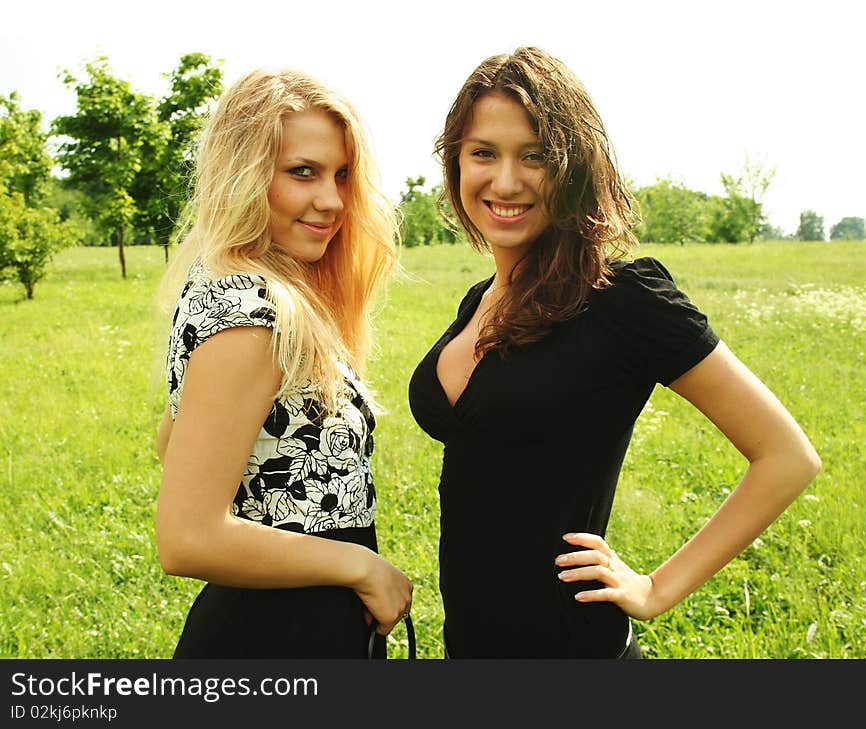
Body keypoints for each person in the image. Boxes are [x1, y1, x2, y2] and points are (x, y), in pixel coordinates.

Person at [408, 47, 821, 658]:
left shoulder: (621, 298)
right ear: (456, 163)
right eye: (483, 154)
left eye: (536, 157)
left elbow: (787, 456)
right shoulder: (480, 300)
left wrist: (656, 588)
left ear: (574, 167)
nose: (505, 181)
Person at [154, 68, 412, 658]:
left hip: (290, 620)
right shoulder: (254, 309)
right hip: (277, 635)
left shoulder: (225, 285)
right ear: (243, 175)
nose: (332, 200)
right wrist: (362, 567)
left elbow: (176, 442)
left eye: (343, 175)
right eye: (303, 172)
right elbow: (186, 538)